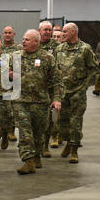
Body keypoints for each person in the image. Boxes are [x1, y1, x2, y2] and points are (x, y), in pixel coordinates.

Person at [11, 30, 63, 175]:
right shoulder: (15, 57)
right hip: (20, 101)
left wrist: (57, 99)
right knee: (25, 130)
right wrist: (8, 76)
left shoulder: (47, 58)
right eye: (23, 39)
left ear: (36, 42)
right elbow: (5, 75)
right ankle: (28, 161)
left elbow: (56, 81)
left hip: (40, 102)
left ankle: (37, 154)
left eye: (27, 39)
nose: (24, 42)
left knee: (39, 132)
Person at [55, 23, 98, 164]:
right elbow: (54, 70)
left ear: (74, 32)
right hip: (62, 93)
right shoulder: (59, 49)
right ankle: (68, 142)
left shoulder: (85, 49)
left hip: (77, 92)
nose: (62, 34)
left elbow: (94, 70)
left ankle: (74, 149)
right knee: (62, 122)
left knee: (76, 122)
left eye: (65, 31)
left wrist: (84, 86)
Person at [38, 21, 61, 158]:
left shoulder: (57, 47)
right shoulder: (35, 44)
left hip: (50, 88)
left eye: (49, 30)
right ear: (39, 31)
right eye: (45, 30)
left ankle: (45, 145)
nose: (47, 32)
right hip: (36, 87)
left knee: (50, 119)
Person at [1, 26, 23, 142]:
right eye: (5, 33)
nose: (8, 35)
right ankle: (2, 129)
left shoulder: (19, 48)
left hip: (15, 82)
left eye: (10, 33)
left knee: (13, 107)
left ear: (14, 34)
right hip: (1, 82)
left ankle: (11, 131)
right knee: (2, 107)